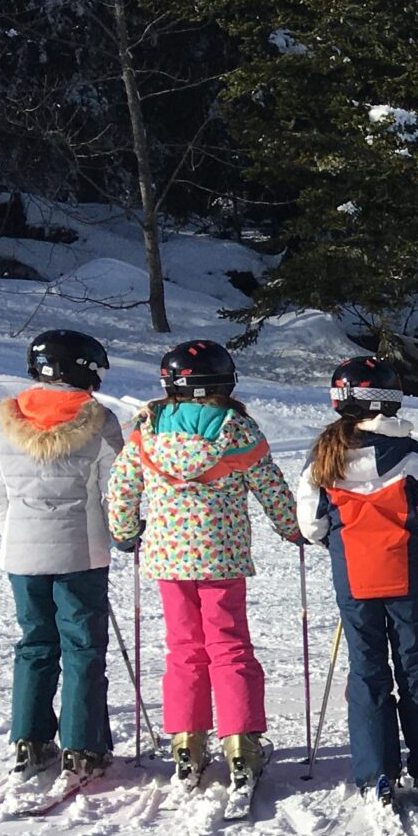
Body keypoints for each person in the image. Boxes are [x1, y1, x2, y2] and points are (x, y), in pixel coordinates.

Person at [105, 339, 304, 801]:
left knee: (184, 649)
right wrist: (292, 528)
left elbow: (122, 484)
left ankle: (186, 741)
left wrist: (124, 530)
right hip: (221, 556)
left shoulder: (148, 430)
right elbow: (269, 484)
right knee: (229, 646)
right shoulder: (236, 429)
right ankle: (240, 741)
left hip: (169, 559)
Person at [294, 356, 418, 834]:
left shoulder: (322, 455)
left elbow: (311, 525)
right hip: (405, 573)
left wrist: (335, 542)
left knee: (367, 668)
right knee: (415, 664)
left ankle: (376, 771)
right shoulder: (411, 454)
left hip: (355, 577)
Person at [0, 329, 124, 792]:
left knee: (35, 644)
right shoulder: (98, 420)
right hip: (80, 551)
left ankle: (29, 740)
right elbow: (115, 490)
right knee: (82, 647)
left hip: (21, 553)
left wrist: (19, 532)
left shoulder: (6, 419)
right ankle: (84, 745)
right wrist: (121, 535)